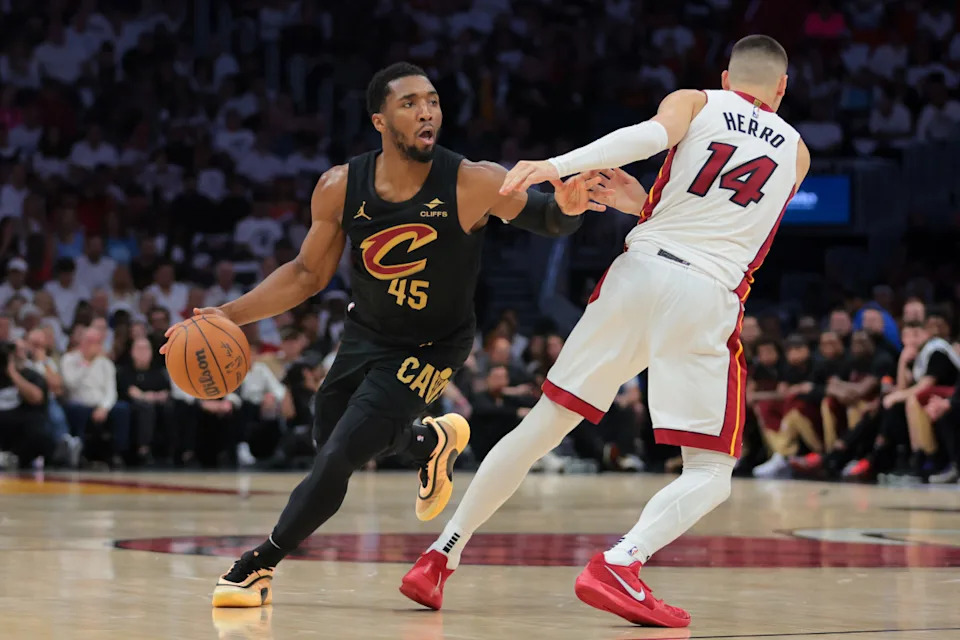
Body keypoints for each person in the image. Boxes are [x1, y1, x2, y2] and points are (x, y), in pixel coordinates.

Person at [401, 35, 810, 629]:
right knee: (710, 472)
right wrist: (645, 204)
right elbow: (728, 223)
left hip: (639, 274)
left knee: (542, 425)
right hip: (704, 295)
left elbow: (649, 138)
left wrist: (559, 166)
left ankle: (440, 557)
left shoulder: (697, 101)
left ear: (726, 78)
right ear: (782, 88)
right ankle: (622, 562)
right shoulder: (797, 153)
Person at [158, 62, 600, 608]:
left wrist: (570, 209)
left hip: (433, 344)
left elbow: (546, 217)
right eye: (410, 103)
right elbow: (305, 275)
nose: (427, 112)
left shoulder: (471, 180)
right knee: (329, 438)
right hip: (366, 334)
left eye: (433, 101)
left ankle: (258, 565)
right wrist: (228, 314)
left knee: (340, 453)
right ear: (379, 119)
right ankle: (428, 443)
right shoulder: (341, 187)